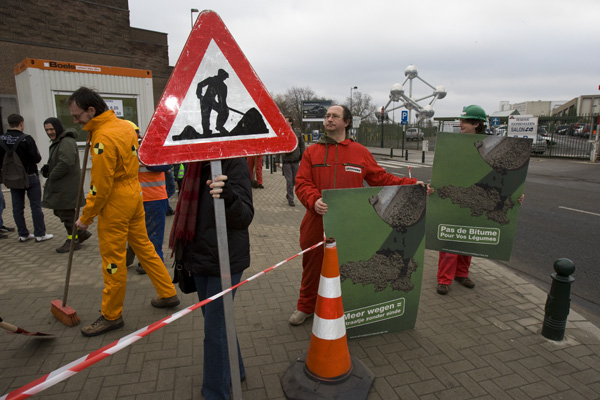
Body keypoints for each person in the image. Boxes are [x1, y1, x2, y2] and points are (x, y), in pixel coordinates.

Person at [290, 105, 431, 326]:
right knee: (312, 267)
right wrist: (313, 200)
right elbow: (302, 183)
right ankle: (305, 307)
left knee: (348, 265)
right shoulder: (312, 151)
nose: (329, 119)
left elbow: (381, 179)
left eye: (334, 116)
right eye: (327, 116)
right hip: (317, 221)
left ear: (346, 122)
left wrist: (412, 184)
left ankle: (347, 308)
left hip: (351, 224)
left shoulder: (360, 152)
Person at [68, 87, 180, 337]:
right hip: (134, 195)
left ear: (91, 110)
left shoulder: (103, 138)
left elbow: (100, 186)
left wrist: (86, 217)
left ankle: (111, 315)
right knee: (145, 247)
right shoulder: (125, 127)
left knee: (113, 262)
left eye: (77, 116)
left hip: (115, 204)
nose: (75, 121)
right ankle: (167, 292)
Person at [169, 159, 253, 399]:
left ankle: (215, 393)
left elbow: (245, 216)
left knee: (215, 329)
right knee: (217, 322)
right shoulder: (194, 162)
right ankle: (236, 370)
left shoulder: (233, 162)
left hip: (225, 259)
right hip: (199, 257)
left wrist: (229, 198)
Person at [436, 105, 523, 295]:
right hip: (460, 194)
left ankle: (461, 274)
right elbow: (446, 169)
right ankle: (444, 279)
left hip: (481, 194)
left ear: (476, 124)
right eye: (461, 121)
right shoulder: (454, 144)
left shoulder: (492, 145)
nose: (460, 124)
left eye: (464, 121)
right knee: (450, 241)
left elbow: (505, 173)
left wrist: (516, 194)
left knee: (468, 240)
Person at [41, 117, 92, 253]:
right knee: (60, 211)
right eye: (47, 130)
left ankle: (73, 240)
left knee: (66, 214)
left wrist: (51, 177)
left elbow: (65, 163)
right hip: (62, 186)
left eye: (51, 129)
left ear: (58, 128)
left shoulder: (66, 142)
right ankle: (80, 233)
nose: (49, 132)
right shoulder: (59, 142)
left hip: (66, 187)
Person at [0, 114, 53, 243]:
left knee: (17, 207)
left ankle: (23, 234)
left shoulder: (1, 139)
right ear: (21, 123)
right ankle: (40, 234)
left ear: (9, 123)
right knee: (35, 206)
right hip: (29, 176)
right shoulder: (26, 139)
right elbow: (37, 158)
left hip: (12, 178)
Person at [276, 117, 305, 206]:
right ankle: (291, 199)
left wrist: (303, 156)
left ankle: (288, 194)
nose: (285, 122)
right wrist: (277, 160)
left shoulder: (297, 132)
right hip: (286, 160)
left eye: (287, 121)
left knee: (294, 180)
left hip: (295, 159)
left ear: (291, 122)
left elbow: (302, 145)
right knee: (289, 181)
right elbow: (278, 146)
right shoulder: (282, 132)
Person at [197, 68, 230, 135]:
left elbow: (222, 99)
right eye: (223, 77)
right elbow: (200, 85)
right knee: (205, 117)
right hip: (206, 101)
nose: (224, 79)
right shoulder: (211, 80)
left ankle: (219, 126)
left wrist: (223, 107)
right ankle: (206, 131)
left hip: (213, 102)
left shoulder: (223, 86)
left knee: (225, 111)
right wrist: (199, 95)